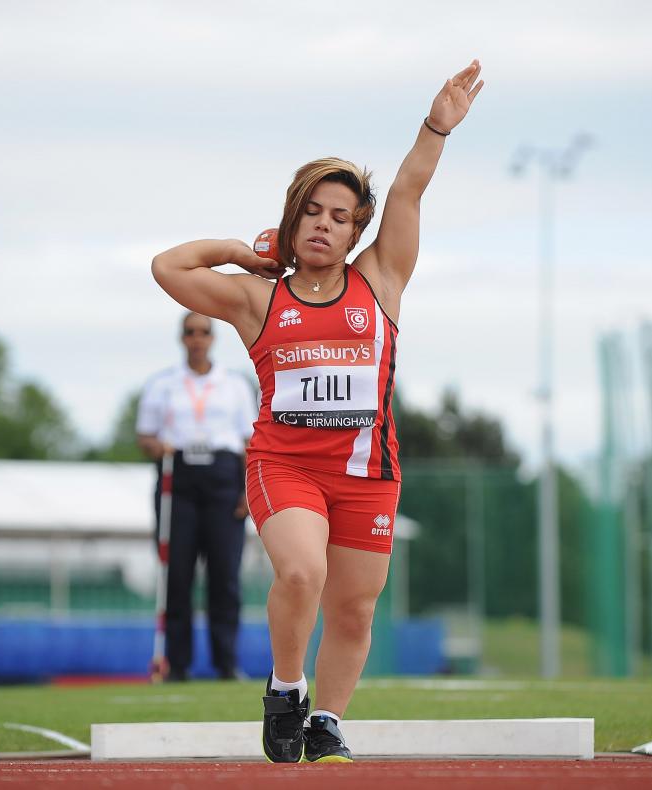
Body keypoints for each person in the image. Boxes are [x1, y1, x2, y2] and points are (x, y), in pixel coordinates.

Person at [150, 60, 483, 762]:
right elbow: (169, 268)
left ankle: (327, 718)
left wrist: (436, 128)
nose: (324, 226)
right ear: (292, 219)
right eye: (312, 212)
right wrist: (243, 253)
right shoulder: (257, 299)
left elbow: (410, 190)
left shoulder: (381, 279)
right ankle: (285, 688)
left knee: (355, 608)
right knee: (302, 574)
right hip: (286, 466)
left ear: (357, 230)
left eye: (340, 217)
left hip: (368, 473)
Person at [136, 311, 257, 681]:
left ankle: (226, 664)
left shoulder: (234, 384)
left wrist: (247, 491)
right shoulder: (163, 384)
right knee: (176, 576)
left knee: (225, 575)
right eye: (190, 332)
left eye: (204, 332)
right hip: (179, 478)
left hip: (223, 478)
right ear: (182, 338)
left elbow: (250, 443)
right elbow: (145, 436)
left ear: (212, 338)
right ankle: (177, 664)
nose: (197, 338)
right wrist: (157, 447)